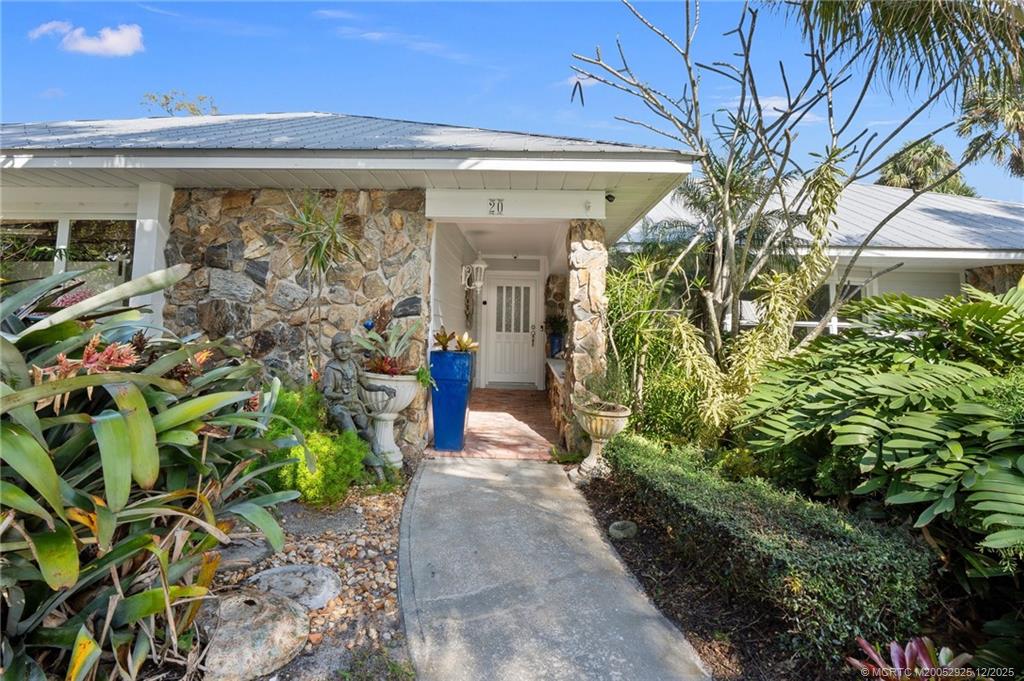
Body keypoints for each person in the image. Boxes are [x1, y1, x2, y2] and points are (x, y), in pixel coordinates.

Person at [319, 331, 396, 479]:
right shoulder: (331, 369)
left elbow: (366, 385)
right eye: (339, 348)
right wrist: (340, 396)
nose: (343, 351)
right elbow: (327, 392)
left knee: (369, 432)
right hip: (339, 407)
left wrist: (383, 388)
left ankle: (382, 462)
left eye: (346, 347)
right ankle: (356, 468)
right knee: (351, 433)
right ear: (333, 350)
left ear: (351, 348)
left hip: (355, 405)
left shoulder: (353, 364)